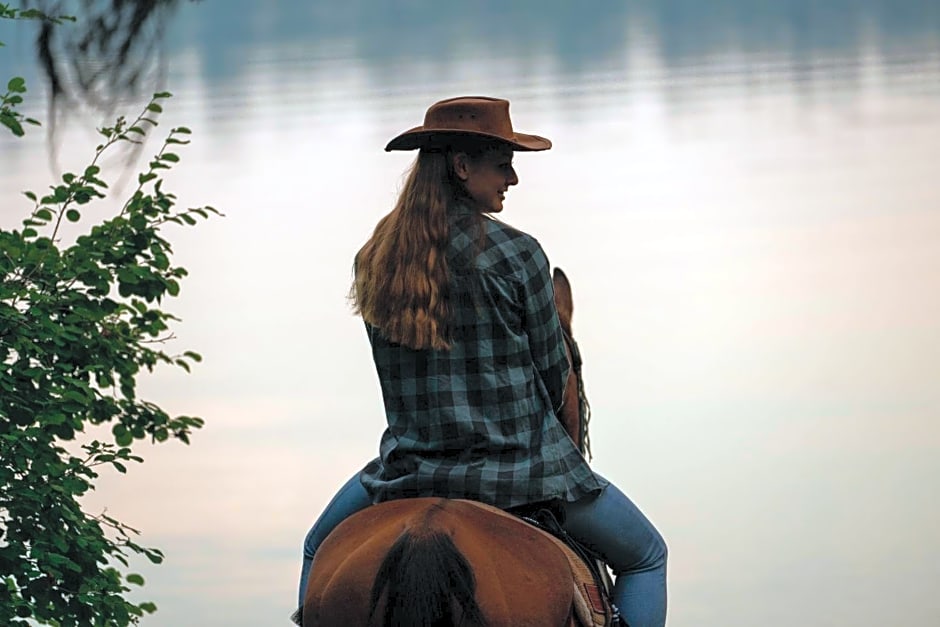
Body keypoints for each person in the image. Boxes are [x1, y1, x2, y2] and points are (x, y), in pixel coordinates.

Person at [297, 96, 667, 627]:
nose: (513, 178)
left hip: (410, 471)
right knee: (647, 557)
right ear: (463, 166)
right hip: (524, 472)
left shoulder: (375, 257)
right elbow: (552, 371)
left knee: (317, 549)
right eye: (503, 164)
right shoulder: (519, 254)